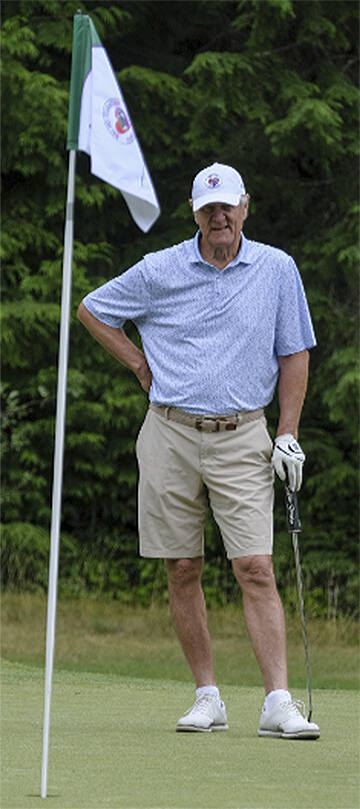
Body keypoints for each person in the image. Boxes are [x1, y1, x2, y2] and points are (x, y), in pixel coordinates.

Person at [77, 162, 320, 739]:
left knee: (255, 566)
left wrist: (288, 431)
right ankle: (207, 695)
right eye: (209, 209)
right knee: (182, 566)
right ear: (195, 214)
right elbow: (92, 309)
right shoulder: (160, 269)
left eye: (228, 208)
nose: (219, 218)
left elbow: (295, 353)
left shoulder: (277, 269)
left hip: (243, 434)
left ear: (244, 208)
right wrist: (139, 364)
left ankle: (278, 702)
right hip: (169, 432)